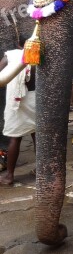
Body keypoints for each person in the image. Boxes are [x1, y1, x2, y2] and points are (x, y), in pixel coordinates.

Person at [0, 47, 36, 186]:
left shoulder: (11, 56)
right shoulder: (40, 54)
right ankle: (42, 171)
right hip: (36, 100)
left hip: (17, 102)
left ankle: (9, 176)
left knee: (15, 138)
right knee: (37, 137)